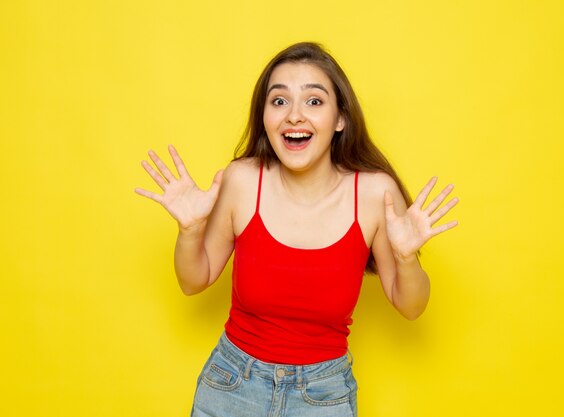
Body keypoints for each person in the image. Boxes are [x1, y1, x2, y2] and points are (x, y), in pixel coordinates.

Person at [135, 42, 458, 417]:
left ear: (341, 119)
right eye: (279, 101)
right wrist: (190, 230)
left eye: (314, 101)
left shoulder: (374, 193)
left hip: (323, 394)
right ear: (265, 116)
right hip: (231, 385)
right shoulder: (242, 180)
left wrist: (405, 259)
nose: (294, 116)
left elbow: (412, 307)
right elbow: (193, 280)